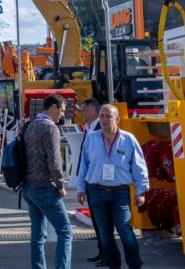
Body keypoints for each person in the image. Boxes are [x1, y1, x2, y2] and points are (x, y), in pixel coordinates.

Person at [77, 105, 150, 269]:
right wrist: (81, 188)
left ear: (117, 119)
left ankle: (135, 265)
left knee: (125, 231)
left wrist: (141, 192)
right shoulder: (92, 138)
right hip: (96, 191)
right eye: (102, 116)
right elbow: (84, 165)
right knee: (104, 234)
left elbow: (139, 167)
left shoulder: (128, 139)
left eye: (108, 116)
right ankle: (113, 265)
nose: (103, 120)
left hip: (119, 192)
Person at [23, 94, 72, 269]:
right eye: (62, 110)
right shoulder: (50, 128)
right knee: (65, 231)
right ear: (53, 108)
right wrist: (60, 185)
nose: (63, 115)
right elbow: (55, 161)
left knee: (37, 233)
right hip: (44, 187)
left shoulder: (29, 126)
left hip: (28, 186)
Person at [78, 98, 107, 265]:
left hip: (100, 181)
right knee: (97, 220)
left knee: (103, 221)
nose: (82, 113)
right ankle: (101, 251)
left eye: (84, 110)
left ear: (93, 111)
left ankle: (107, 253)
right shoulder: (89, 128)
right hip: (90, 180)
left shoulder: (100, 128)